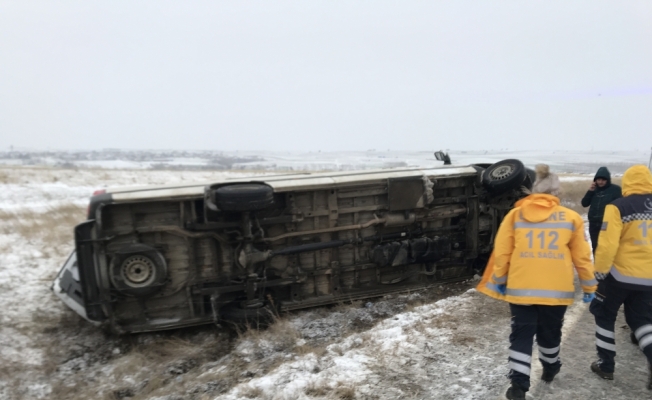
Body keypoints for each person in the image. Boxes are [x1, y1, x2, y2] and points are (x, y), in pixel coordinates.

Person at [484, 166, 596, 400]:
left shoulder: (515, 216)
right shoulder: (571, 218)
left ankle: (518, 386)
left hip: (520, 291)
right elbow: (582, 258)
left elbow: (502, 252)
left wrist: (500, 280)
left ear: (534, 192)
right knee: (550, 334)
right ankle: (551, 366)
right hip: (556, 293)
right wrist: (589, 287)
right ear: (556, 193)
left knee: (521, 335)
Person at [590, 165, 652, 389]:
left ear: (627, 183)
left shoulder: (618, 206)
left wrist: (599, 272)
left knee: (604, 315)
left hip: (618, 276)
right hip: (648, 279)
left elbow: (607, 245)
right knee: (642, 322)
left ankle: (606, 365)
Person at [581, 167, 622, 253]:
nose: (600, 182)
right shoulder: (593, 190)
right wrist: (590, 191)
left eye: (603, 180)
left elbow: (621, 205)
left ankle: (607, 265)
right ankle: (597, 265)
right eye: (598, 179)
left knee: (606, 247)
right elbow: (584, 203)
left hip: (607, 223)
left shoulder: (615, 190)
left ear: (608, 179)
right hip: (593, 223)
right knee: (595, 247)